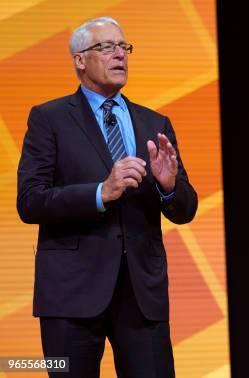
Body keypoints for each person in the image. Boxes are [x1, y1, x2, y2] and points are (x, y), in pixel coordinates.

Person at [17, 17, 198, 377]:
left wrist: (167, 187)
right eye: (106, 47)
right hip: (71, 294)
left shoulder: (154, 123)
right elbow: (30, 200)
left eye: (124, 47)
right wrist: (101, 192)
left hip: (142, 294)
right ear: (79, 60)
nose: (119, 55)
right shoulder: (48, 118)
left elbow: (185, 208)